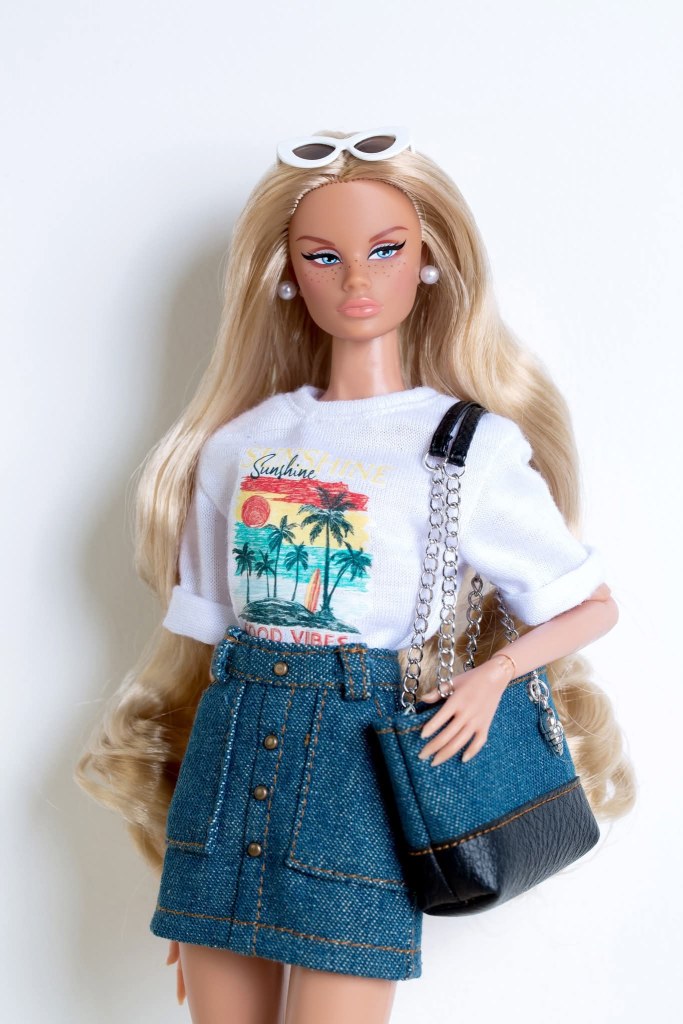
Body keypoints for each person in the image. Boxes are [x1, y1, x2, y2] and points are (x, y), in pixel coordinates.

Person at [75, 128, 635, 1024]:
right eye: (322, 256)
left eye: (385, 250)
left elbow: (590, 606)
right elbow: (209, 644)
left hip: (359, 769)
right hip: (230, 751)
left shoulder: (466, 445)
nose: (355, 280)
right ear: (285, 275)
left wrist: (493, 676)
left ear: (429, 263)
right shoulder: (238, 444)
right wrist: (188, 850)